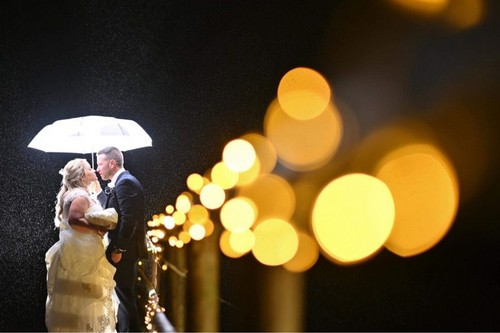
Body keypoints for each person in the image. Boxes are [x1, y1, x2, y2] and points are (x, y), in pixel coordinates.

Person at [45, 158, 119, 332]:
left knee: (84, 301)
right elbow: (74, 219)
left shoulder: (80, 193)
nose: (94, 169)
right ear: (82, 175)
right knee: (86, 300)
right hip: (82, 255)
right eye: (89, 168)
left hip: (83, 251)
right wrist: (98, 228)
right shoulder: (80, 195)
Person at [96, 146, 148, 332]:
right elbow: (112, 211)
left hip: (125, 251)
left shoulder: (126, 183)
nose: (97, 168)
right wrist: (97, 191)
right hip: (122, 249)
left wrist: (119, 249)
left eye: (100, 163)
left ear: (112, 163)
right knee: (122, 298)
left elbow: (129, 220)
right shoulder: (121, 182)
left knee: (125, 299)